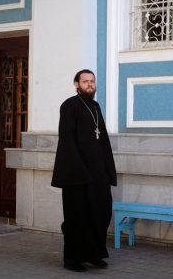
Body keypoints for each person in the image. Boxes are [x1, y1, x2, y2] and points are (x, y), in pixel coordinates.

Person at [51, 69, 117, 272]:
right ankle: (72, 259)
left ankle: (94, 254)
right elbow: (67, 141)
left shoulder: (95, 106)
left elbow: (103, 138)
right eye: (85, 81)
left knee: (101, 212)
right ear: (76, 84)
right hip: (77, 175)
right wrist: (79, 171)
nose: (89, 84)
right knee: (77, 217)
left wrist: (107, 170)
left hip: (98, 175)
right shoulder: (69, 106)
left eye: (92, 81)